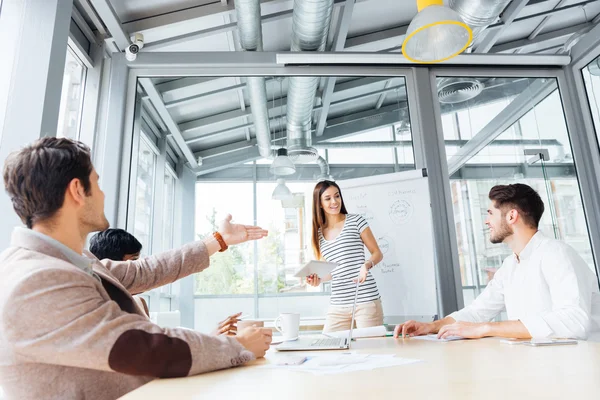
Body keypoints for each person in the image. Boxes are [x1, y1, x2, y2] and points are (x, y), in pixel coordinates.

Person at [0, 137, 272, 400]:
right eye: (97, 183)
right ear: (76, 190)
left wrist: (218, 240)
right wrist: (239, 347)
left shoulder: (67, 261)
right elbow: (142, 348)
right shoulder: (38, 279)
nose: (103, 194)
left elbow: (147, 270)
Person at [394, 183, 600, 341]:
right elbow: (477, 312)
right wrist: (430, 326)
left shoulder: (556, 253)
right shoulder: (510, 266)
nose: (486, 221)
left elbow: (574, 321)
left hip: (578, 367)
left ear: (512, 216)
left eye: (490, 213)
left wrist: (487, 328)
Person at [89, 228, 241, 335]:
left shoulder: (139, 302)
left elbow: (157, 347)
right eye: (134, 262)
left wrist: (213, 337)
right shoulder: (97, 306)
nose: (139, 268)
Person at [306, 180, 384, 332]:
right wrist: (318, 280)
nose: (334, 202)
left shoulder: (356, 221)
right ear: (320, 204)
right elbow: (332, 271)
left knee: (370, 349)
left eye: (337, 196)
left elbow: (377, 253)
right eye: (328, 198)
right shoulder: (319, 234)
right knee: (329, 345)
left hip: (365, 299)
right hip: (338, 304)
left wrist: (366, 265)